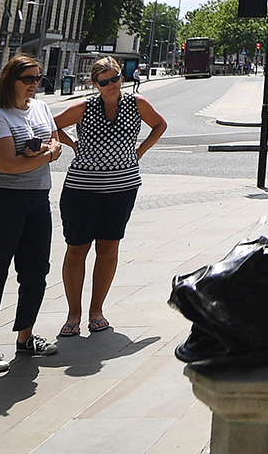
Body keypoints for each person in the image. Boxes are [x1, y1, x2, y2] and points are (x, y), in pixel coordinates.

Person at [54, 55, 167, 337]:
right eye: (104, 82)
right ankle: (73, 314)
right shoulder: (85, 106)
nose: (111, 85)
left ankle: (96, 311)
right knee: (77, 248)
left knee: (108, 248)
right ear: (95, 84)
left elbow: (160, 125)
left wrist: (139, 151)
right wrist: (73, 145)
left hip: (122, 188)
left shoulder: (137, 103)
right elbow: (50, 124)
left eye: (115, 78)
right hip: (82, 189)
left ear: (121, 77)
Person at [0, 55, 63, 372]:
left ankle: (25, 337)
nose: (35, 84)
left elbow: (55, 142)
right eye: (28, 78)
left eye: (39, 78)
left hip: (37, 198)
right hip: (0, 201)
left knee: (36, 272)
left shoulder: (41, 108)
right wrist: (46, 155)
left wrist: (43, 152)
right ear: (11, 80)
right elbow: (7, 165)